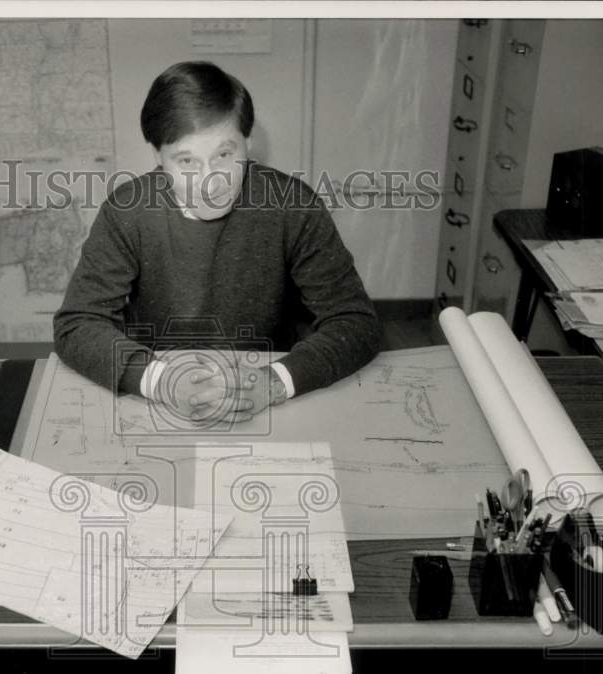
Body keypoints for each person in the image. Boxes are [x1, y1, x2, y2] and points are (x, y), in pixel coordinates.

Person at [54, 61, 381, 425]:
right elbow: (77, 324)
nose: (210, 182)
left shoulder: (294, 206)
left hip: (268, 392)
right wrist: (160, 381)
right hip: (155, 394)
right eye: (186, 161)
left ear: (249, 143)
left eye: (224, 155)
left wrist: (274, 382)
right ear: (156, 155)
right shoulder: (126, 212)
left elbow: (356, 322)